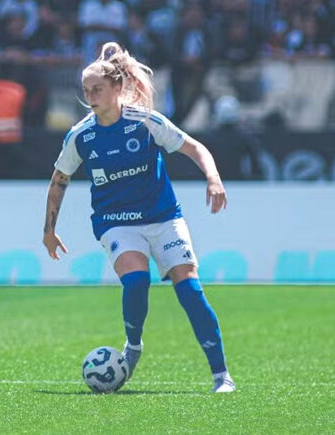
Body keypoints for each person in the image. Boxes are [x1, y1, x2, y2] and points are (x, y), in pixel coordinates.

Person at [42, 42, 235, 393]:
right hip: (115, 220)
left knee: (189, 290)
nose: (91, 96)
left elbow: (194, 146)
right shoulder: (81, 135)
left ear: (117, 88)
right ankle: (133, 346)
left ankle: (222, 376)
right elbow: (59, 180)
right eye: (86, 91)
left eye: (97, 89)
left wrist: (214, 178)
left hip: (162, 217)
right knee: (136, 281)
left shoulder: (144, 121)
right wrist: (49, 230)